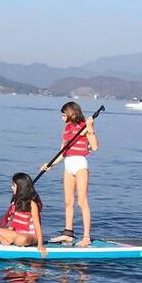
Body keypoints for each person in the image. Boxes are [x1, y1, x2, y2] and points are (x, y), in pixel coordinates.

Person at [40, 102, 98, 246]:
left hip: (80, 166)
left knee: (82, 201)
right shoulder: (66, 129)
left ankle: (86, 237)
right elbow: (62, 152)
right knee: (68, 202)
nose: (62, 118)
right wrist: (49, 165)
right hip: (68, 166)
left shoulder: (84, 126)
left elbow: (95, 146)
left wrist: (90, 128)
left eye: (63, 115)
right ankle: (68, 234)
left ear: (71, 113)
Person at [0, 172, 47, 258]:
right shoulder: (15, 202)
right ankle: (6, 240)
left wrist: (40, 244)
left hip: (31, 236)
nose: (11, 187)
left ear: (20, 188)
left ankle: (13, 240)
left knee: (21, 240)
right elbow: (13, 221)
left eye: (13, 185)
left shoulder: (32, 204)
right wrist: (5, 235)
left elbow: (37, 225)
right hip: (16, 233)